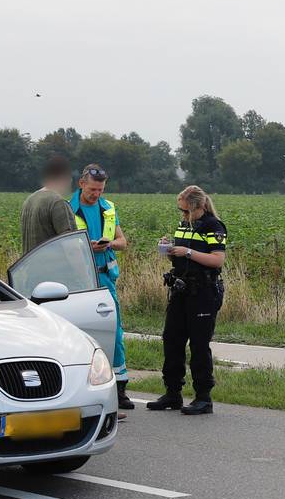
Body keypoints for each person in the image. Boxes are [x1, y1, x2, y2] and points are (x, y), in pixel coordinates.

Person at [146, 185, 226, 415]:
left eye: (185, 211)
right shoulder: (184, 225)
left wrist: (187, 253)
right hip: (180, 288)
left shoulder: (213, 226)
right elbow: (181, 252)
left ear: (199, 207)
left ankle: (203, 398)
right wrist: (169, 249)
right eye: (180, 211)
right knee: (172, 339)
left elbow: (217, 260)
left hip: (203, 292)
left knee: (199, 345)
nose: (182, 215)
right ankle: (173, 393)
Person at [67, 164, 133, 410]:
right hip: (79, 279)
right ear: (81, 184)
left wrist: (109, 244)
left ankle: (120, 388)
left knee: (114, 333)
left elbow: (123, 242)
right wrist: (86, 247)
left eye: (100, 190)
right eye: (93, 189)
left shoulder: (108, 209)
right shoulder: (67, 209)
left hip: (105, 278)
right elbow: (60, 245)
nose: (96, 194)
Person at [19, 155, 76, 254]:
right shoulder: (58, 203)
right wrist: (83, 269)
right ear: (64, 177)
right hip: (52, 268)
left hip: (30, 268)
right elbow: (71, 247)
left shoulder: (30, 200)